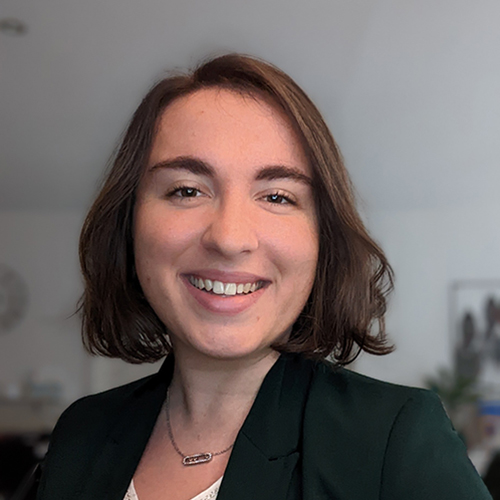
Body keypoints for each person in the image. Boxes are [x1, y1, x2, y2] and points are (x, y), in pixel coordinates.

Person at [35, 54, 492, 500]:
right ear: (130, 224)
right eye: (187, 190)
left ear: (322, 239)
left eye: (277, 197)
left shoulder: (395, 440)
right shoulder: (81, 434)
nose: (229, 238)